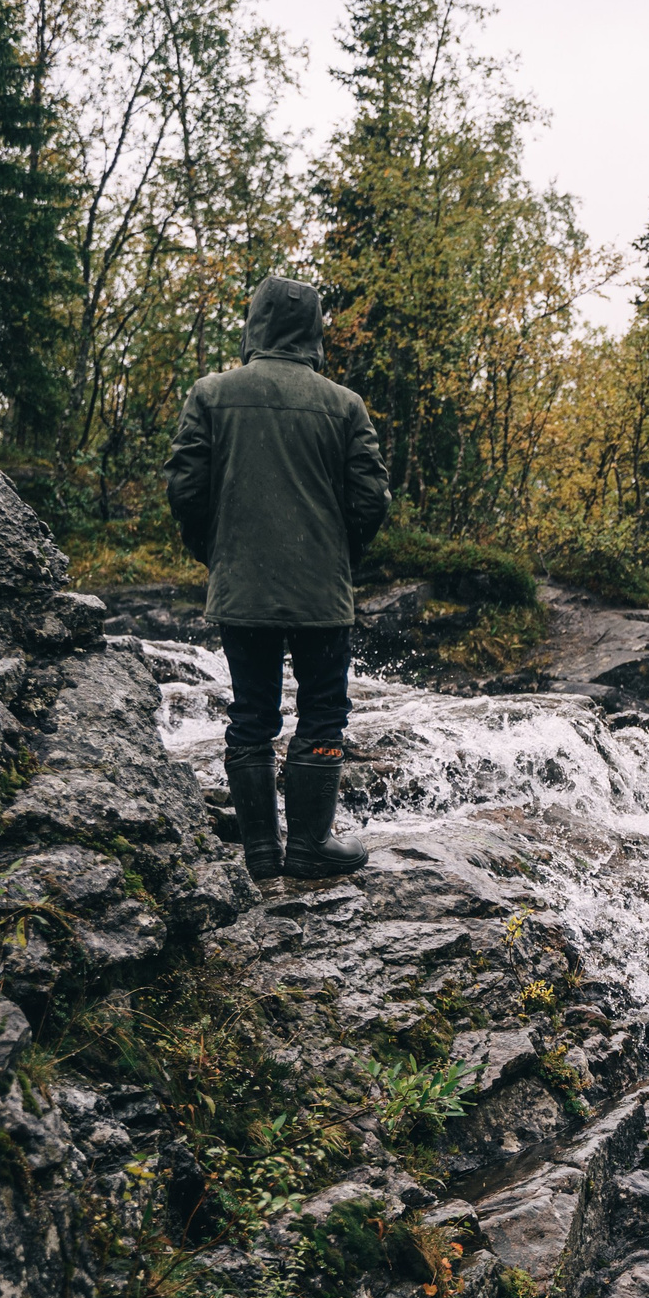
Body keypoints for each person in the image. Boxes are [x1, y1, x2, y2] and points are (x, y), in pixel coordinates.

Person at [167, 275, 390, 880]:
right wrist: (341, 559)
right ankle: (310, 847)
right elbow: (371, 500)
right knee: (322, 712)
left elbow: (185, 490)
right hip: (322, 592)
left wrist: (214, 555)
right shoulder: (344, 405)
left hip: (241, 587)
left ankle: (261, 854)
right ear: (314, 331)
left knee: (251, 713)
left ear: (255, 322)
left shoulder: (211, 393)